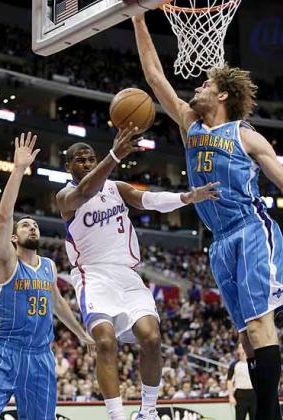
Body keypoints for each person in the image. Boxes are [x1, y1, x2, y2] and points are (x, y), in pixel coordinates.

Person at [132, 13, 283, 420]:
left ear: (221, 97)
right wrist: (137, 16)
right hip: (219, 241)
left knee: (257, 328)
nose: (196, 88)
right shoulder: (189, 125)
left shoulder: (245, 135)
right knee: (246, 341)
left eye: (205, 85)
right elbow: (154, 76)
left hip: (252, 230)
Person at [56, 124, 219, 420]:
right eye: (80, 159)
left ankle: (148, 411)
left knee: (152, 338)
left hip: (127, 275)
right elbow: (85, 190)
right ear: (68, 166)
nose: (87, 163)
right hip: (92, 275)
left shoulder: (115, 188)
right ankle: (117, 416)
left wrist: (186, 198)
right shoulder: (66, 196)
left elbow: (150, 201)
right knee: (105, 341)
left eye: (91, 158)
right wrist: (114, 155)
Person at [0, 132, 93, 420]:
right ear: (14, 238)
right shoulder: (5, 262)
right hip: (6, 351)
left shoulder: (49, 267)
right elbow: (4, 218)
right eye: (26, 225)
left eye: (35, 225)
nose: (33, 228)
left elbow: (56, 302)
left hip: (41, 356)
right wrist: (18, 169)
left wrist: (81, 334)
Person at [227, 342, 256, 420]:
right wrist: (231, 396)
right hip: (240, 395)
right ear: (238, 351)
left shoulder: (255, 363)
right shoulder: (234, 365)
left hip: (254, 394)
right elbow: (229, 381)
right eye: (241, 347)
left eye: (245, 347)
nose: (244, 349)